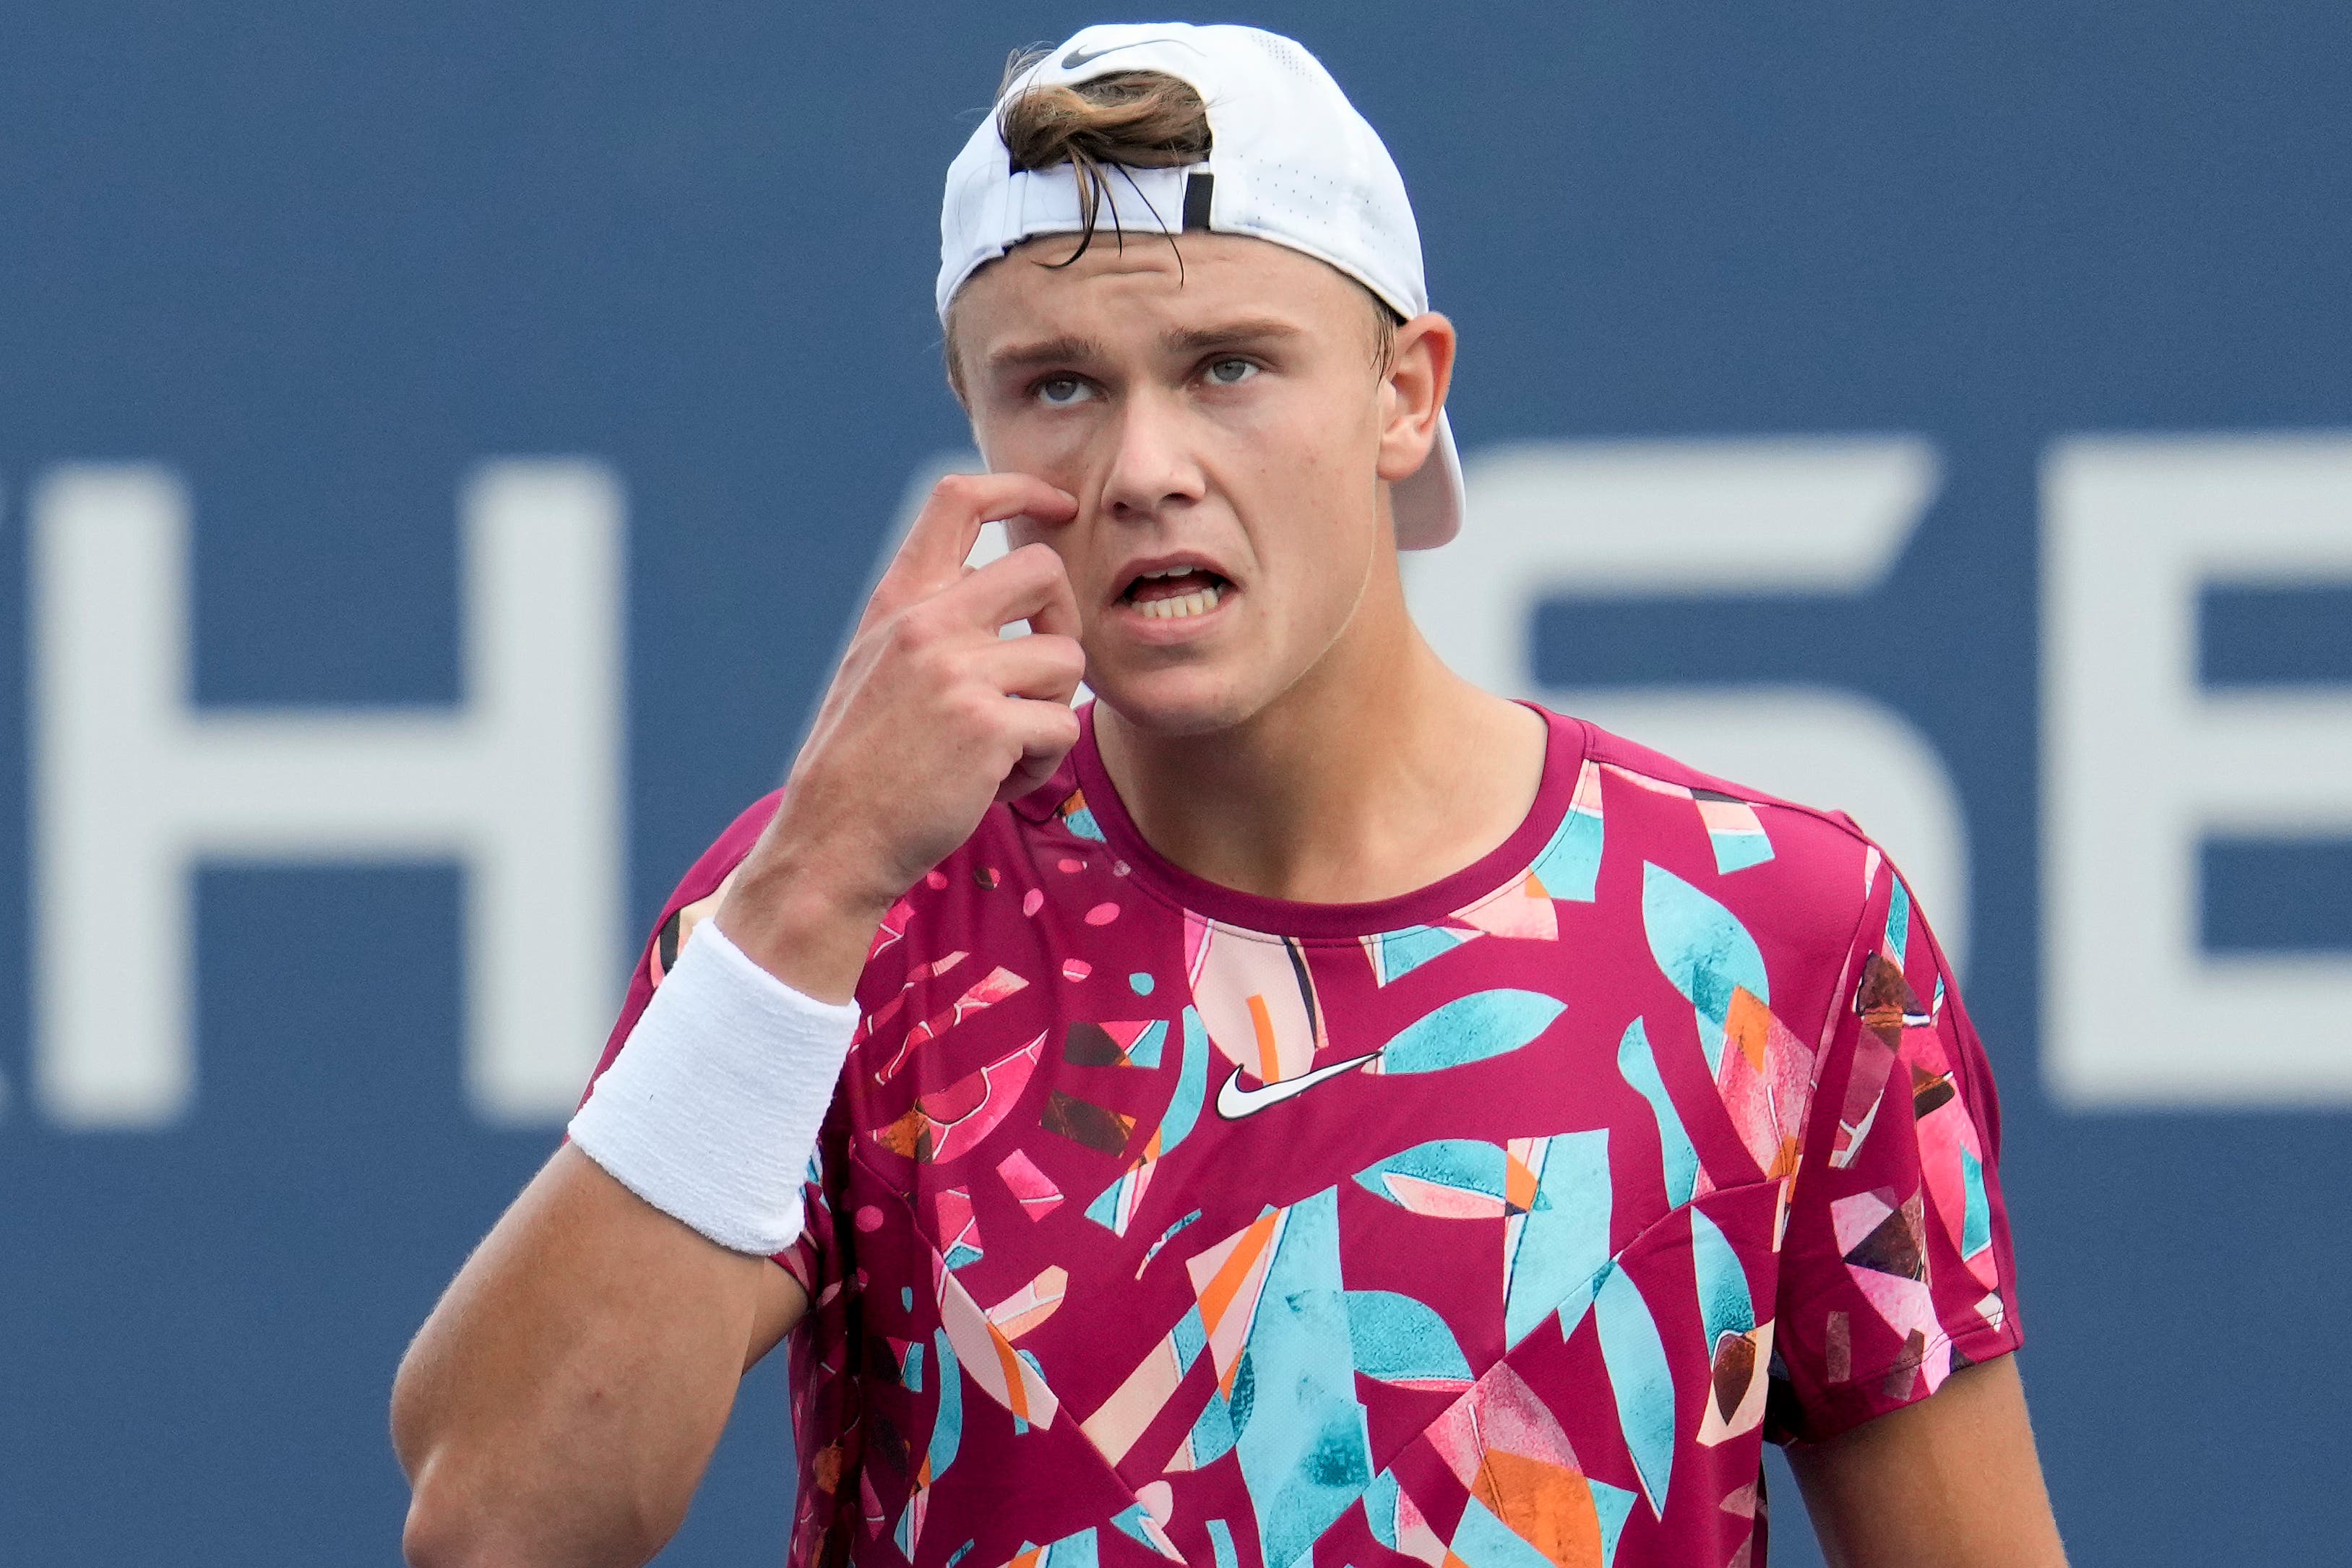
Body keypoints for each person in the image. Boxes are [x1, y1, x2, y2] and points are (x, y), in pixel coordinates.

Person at [392, 23, 2067, 1568]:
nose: (1141, 467)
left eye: (1226, 366)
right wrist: (813, 880)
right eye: (1056, 384)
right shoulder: (834, 917)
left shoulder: (1777, 925)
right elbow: (492, 1524)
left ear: (1405, 392)